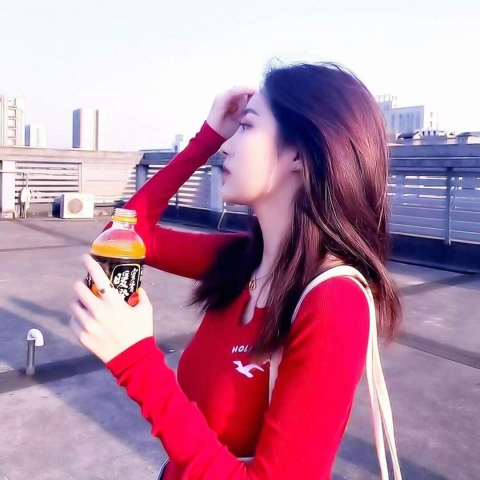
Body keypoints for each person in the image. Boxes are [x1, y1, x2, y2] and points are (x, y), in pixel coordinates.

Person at [70, 62, 402, 479]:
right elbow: (121, 236)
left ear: (299, 153)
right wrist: (205, 138)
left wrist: (136, 359)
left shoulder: (334, 303)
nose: (226, 147)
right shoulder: (242, 259)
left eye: (246, 127)